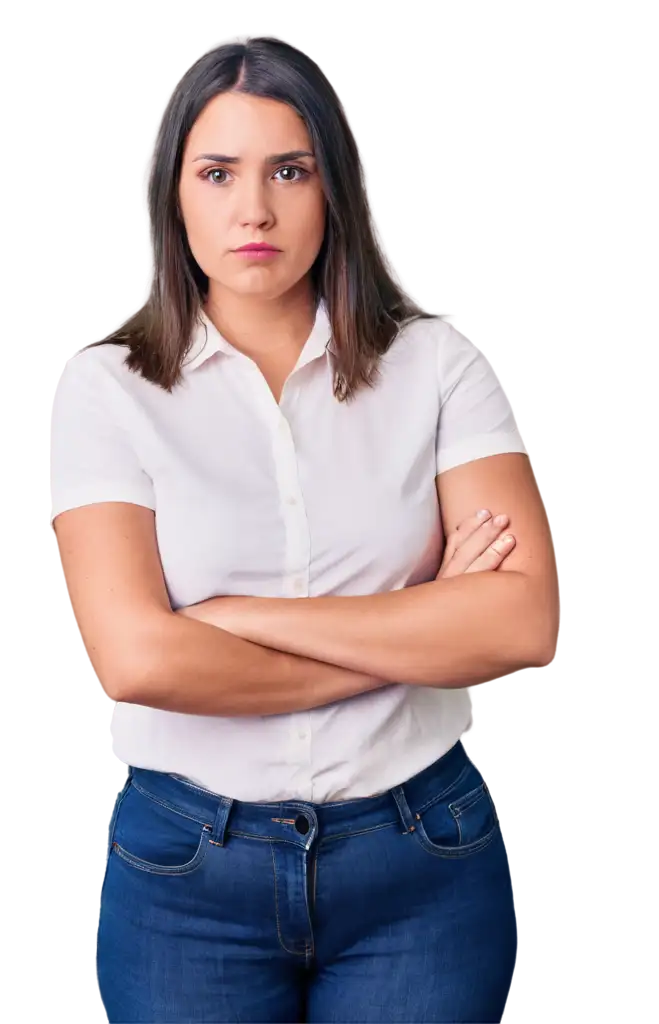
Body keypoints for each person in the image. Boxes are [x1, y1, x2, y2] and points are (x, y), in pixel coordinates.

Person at [47, 35, 557, 1024]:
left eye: (290, 169)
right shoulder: (104, 391)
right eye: (218, 172)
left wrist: (235, 616)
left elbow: (518, 621)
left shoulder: (437, 367)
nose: (254, 209)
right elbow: (135, 657)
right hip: (187, 872)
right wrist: (417, 627)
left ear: (334, 190)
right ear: (173, 195)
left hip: (422, 859)